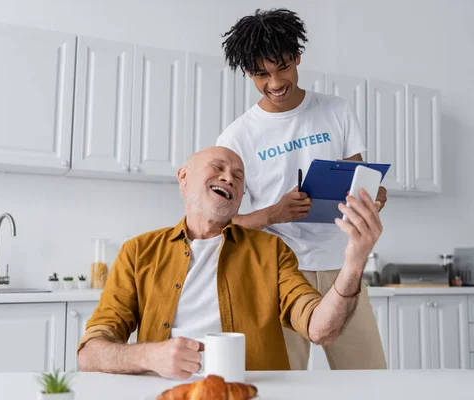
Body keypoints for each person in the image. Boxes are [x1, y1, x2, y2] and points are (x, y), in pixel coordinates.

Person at [77, 146, 384, 379]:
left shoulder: (273, 250)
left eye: (239, 176)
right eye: (218, 168)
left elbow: (320, 329)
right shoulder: (139, 252)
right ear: (183, 177)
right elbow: (90, 353)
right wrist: (148, 357)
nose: (230, 178)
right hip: (167, 392)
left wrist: (354, 260)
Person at [217, 8, 387, 370]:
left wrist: (372, 196)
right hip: (278, 273)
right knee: (284, 385)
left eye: (282, 68)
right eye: (261, 74)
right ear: (248, 73)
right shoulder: (237, 136)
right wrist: (272, 214)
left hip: (344, 269)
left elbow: (358, 179)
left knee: (370, 381)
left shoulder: (337, 111)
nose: (275, 82)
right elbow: (219, 227)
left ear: (297, 58)